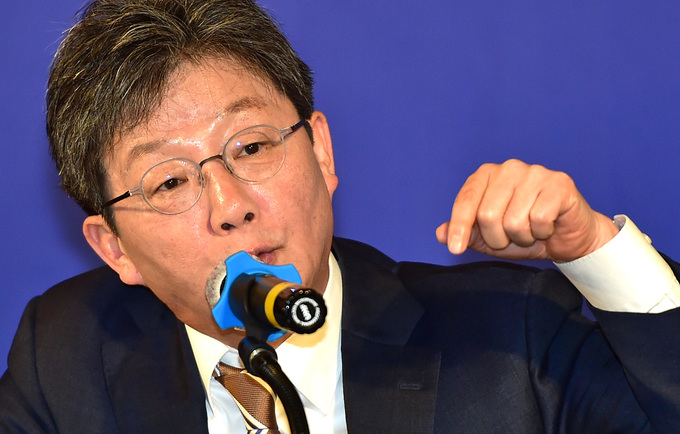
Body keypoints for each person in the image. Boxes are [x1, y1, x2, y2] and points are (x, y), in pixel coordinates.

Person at [1, 0, 680, 432]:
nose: (231, 206)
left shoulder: (508, 339)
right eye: (171, 180)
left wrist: (596, 247)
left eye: (252, 147)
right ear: (114, 247)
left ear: (321, 152)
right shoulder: (65, 358)